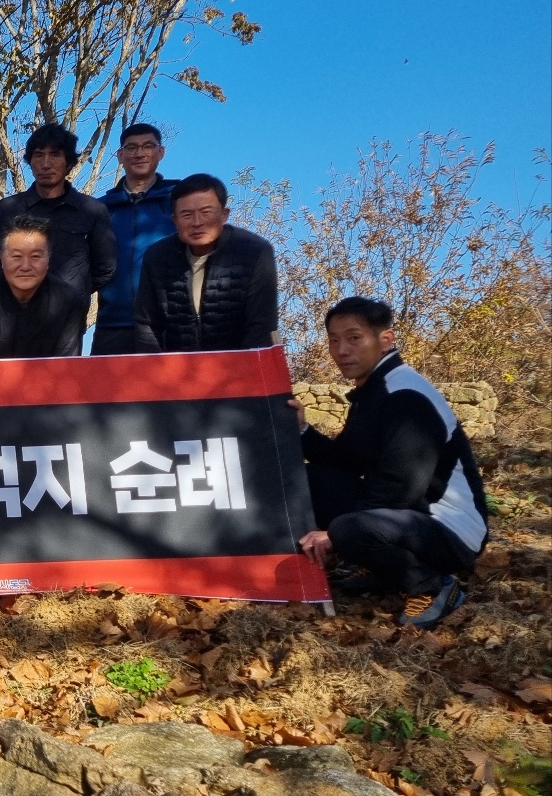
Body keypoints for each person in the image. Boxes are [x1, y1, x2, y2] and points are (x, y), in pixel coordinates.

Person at [291, 297, 487, 629]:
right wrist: (302, 430)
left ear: (385, 340)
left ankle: (432, 585)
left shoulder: (405, 395)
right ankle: (385, 570)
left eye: (354, 338)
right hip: (410, 516)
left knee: (349, 529)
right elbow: (347, 461)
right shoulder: (375, 390)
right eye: (334, 340)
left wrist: (338, 535)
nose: (341, 350)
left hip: (450, 530)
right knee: (313, 479)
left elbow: (402, 486)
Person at [0, 125, 115, 322]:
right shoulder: (6, 210)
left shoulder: (92, 211)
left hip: (67, 322)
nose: (46, 164)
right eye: (38, 155)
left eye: (55, 155)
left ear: (69, 162)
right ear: (30, 161)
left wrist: (73, 294)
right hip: (11, 320)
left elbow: (105, 267)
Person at [133, 173, 278, 353]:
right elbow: (146, 324)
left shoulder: (254, 252)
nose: (197, 222)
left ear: (224, 215)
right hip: (175, 365)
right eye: (186, 214)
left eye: (206, 212)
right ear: (174, 220)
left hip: (238, 364)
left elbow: (261, 326)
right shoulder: (157, 257)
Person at [95, 123, 178, 355]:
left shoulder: (180, 201)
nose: (139, 153)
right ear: (120, 156)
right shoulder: (100, 209)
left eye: (148, 146)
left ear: (160, 152)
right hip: (112, 325)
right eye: (131, 148)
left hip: (170, 324)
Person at [0, 216, 87, 360]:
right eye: (17, 256)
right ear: (2, 258)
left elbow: (66, 366)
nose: (25, 266)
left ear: (48, 258)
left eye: (35, 256)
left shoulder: (68, 300)